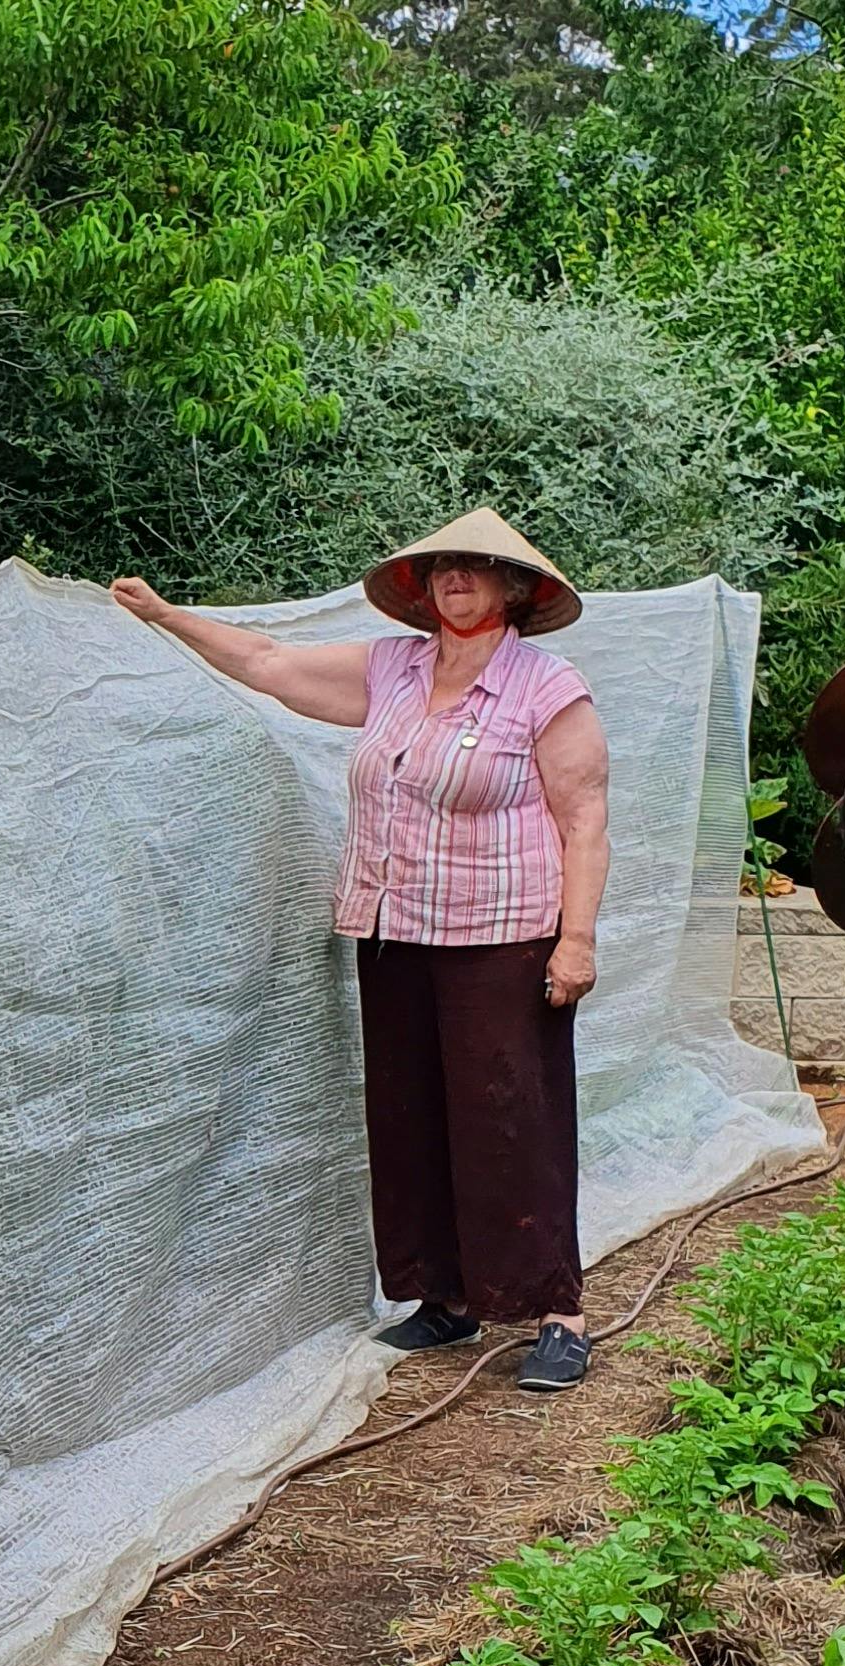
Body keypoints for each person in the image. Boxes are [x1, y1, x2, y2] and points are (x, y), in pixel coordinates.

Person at [112, 510, 611, 1392]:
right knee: (412, 1116)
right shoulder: (392, 671)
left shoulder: (547, 688)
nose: (456, 578)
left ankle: (558, 1313)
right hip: (394, 931)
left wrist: (576, 940)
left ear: (513, 589)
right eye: (443, 566)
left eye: (476, 567)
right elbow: (269, 664)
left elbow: (585, 821)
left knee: (514, 1120)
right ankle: (446, 1297)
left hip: (503, 938)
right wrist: (165, 614)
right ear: (424, 587)